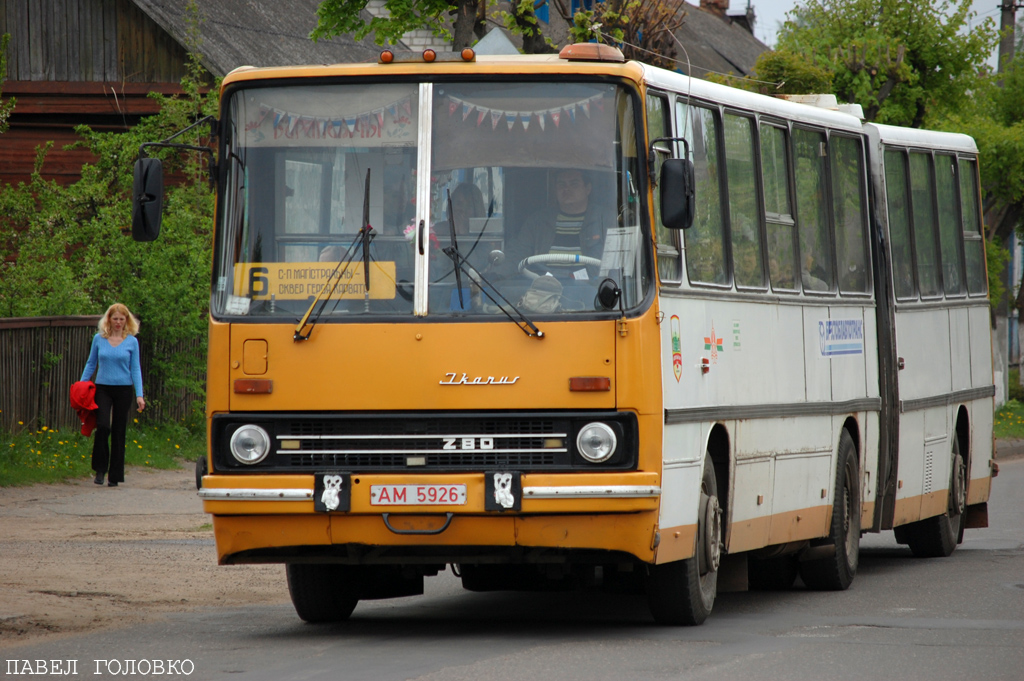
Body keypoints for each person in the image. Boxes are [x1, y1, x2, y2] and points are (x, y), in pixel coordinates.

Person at [81, 303, 145, 487]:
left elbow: (135, 369)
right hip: (103, 388)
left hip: (124, 389)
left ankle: (115, 475)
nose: (118, 322)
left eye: (121, 319)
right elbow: (91, 363)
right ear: (108, 319)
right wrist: (81, 385)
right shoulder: (98, 339)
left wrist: (139, 395)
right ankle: (100, 469)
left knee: (119, 430)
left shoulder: (132, 341)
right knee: (102, 426)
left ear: (127, 321)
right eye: (115, 318)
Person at [507, 168, 613, 280]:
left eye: (574, 184)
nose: (566, 189)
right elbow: (516, 255)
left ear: (588, 189)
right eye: (561, 185)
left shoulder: (607, 220)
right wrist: (495, 277)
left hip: (592, 292)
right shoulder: (537, 222)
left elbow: (616, 265)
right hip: (544, 289)